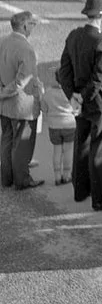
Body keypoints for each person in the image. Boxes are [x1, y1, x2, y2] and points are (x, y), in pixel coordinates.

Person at [56, 0, 102, 210]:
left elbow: (64, 70)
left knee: (82, 144)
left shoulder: (74, 35)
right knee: (101, 147)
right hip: (101, 102)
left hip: (80, 100)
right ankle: (101, 197)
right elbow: (99, 77)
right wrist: (84, 97)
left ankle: (81, 190)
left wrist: (73, 96)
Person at [0, 10, 45, 191]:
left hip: (4, 107)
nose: (33, 27)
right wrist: (4, 92)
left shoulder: (3, 42)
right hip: (22, 105)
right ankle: (22, 180)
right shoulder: (26, 49)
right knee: (22, 144)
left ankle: (6, 178)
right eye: (32, 24)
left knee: (6, 140)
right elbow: (22, 81)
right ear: (25, 25)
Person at [40, 80, 77, 186]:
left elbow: (44, 108)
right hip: (69, 125)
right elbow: (77, 109)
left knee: (57, 151)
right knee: (68, 151)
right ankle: (66, 175)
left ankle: (57, 177)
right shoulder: (71, 92)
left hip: (54, 126)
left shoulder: (48, 92)